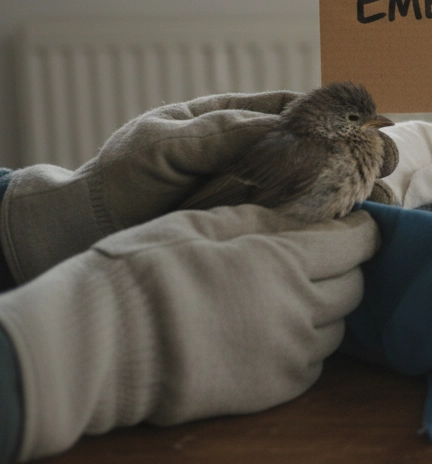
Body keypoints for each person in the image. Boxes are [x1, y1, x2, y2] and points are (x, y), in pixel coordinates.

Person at [0, 92, 380, 462]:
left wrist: (41, 216)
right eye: (353, 120)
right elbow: (225, 199)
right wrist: (70, 350)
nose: (372, 127)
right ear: (330, 123)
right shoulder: (317, 152)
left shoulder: (311, 145)